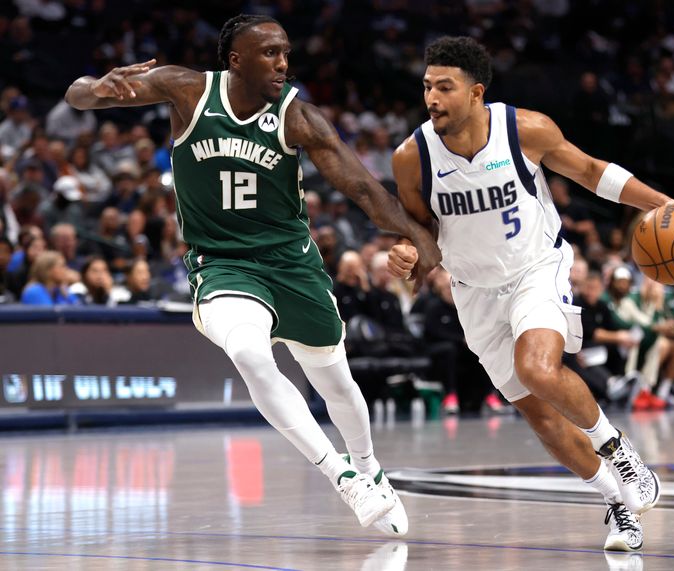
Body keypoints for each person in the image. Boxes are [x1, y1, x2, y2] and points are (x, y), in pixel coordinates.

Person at [65, 13, 443, 536]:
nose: (282, 62)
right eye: (270, 53)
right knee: (247, 352)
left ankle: (371, 465)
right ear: (235, 59)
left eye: (286, 52)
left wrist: (420, 239)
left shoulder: (297, 117)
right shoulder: (187, 91)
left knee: (335, 380)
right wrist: (94, 87)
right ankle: (343, 477)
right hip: (221, 263)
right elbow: (80, 97)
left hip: (292, 263)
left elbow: (361, 188)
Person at [387, 36, 674, 551]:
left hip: (535, 269)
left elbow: (591, 171)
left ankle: (617, 449)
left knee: (538, 368)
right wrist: (408, 255)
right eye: (427, 86)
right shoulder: (411, 158)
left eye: (445, 87)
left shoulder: (526, 129)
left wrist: (661, 202)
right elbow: (420, 232)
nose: (432, 97)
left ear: (476, 92)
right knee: (540, 416)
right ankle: (615, 501)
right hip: (472, 291)